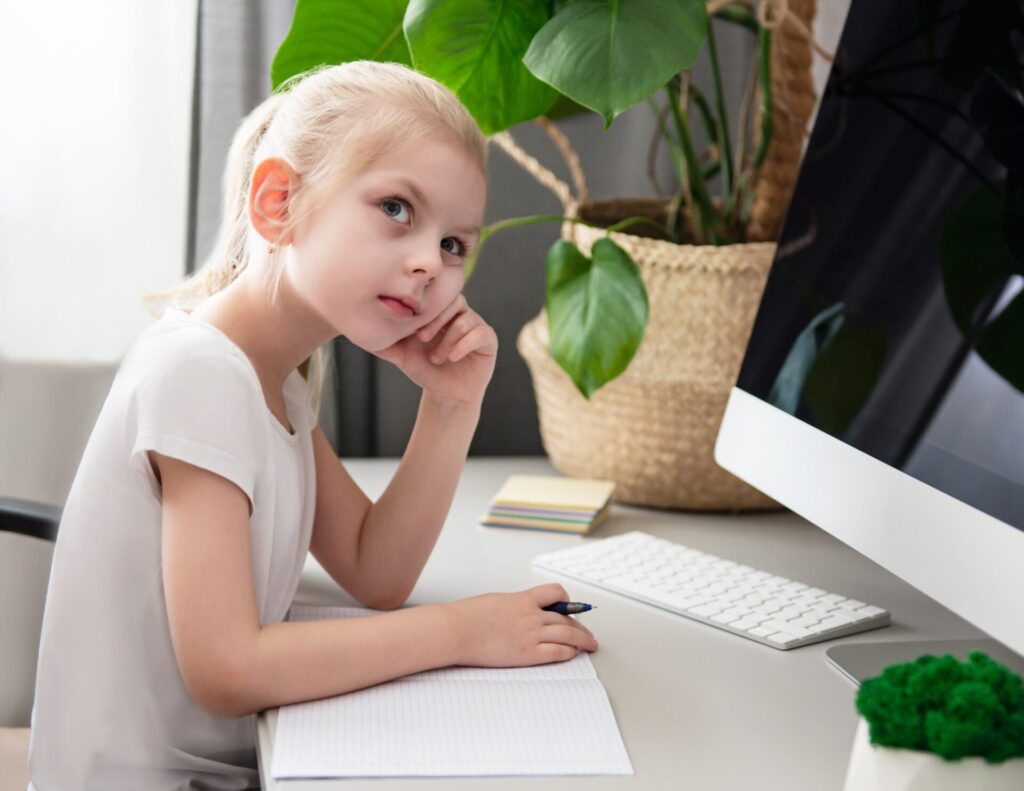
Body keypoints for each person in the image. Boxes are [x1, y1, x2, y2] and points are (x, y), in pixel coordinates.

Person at [26, 60, 598, 790]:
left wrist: (452, 406)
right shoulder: (201, 375)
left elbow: (375, 568)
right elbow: (228, 671)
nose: (430, 262)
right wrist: (463, 631)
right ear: (278, 203)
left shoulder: (274, 380)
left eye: (456, 244)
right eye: (396, 207)